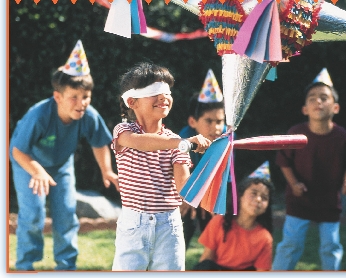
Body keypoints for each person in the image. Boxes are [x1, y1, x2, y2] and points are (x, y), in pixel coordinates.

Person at [9, 40, 120, 271]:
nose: (82, 103)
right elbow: (18, 150)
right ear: (57, 97)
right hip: (28, 164)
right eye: (74, 97)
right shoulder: (38, 115)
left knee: (67, 215)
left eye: (86, 96)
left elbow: (100, 141)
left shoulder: (88, 114)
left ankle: (66, 266)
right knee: (32, 215)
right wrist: (37, 170)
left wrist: (106, 170)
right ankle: (24, 265)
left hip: (61, 165)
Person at [110, 61, 211, 271]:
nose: (164, 96)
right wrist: (185, 143)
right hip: (134, 224)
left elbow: (184, 186)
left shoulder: (176, 141)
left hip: (169, 226)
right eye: (154, 91)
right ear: (131, 101)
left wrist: (212, 165)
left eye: (167, 91)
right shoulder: (123, 131)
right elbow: (142, 143)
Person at [272, 68, 346, 271]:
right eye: (312, 98)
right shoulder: (295, 133)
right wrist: (293, 184)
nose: (318, 101)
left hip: (329, 201)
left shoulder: (342, 136)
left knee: (331, 246)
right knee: (290, 244)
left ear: (335, 107)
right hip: (299, 200)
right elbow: (283, 161)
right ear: (304, 109)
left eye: (324, 97)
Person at [193, 161, 274, 271]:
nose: (258, 199)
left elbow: (262, 271)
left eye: (264, 197)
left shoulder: (264, 238)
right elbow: (206, 260)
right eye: (253, 193)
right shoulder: (219, 222)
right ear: (240, 196)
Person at [178, 69, 227, 249]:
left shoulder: (225, 140)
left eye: (219, 121)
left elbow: (224, 174)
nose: (215, 127)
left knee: (217, 233)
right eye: (209, 121)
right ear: (193, 122)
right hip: (185, 193)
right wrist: (189, 197)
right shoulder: (184, 139)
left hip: (211, 193)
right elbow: (180, 174)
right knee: (183, 225)